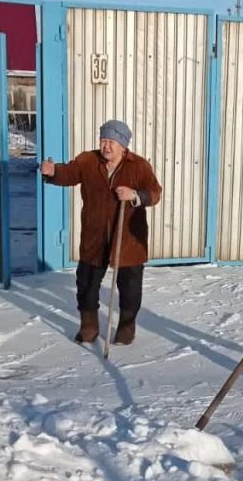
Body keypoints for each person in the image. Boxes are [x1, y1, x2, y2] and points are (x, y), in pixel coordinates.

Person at [40, 120, 162, 345]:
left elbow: (154, 193)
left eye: (112, 142)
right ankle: (89, 326)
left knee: (130, 288)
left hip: (127, 240)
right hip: (94, 237)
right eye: (103, 140)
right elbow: (68, 173)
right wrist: (53, 172)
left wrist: (135, 195)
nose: (106, 146)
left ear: (123, 146)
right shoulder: (88, 160)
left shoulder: (139, 166)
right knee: (86, 284)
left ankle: (126, 327)